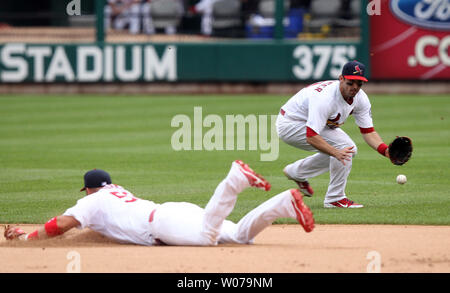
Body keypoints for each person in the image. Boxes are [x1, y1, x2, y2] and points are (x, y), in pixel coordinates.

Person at [4, 160, 314, 246]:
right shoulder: (115, 192)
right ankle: (285, 202)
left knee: (208, 237)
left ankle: (234, 179)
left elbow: (60, 225)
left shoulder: (92, 201)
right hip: (173, 213)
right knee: (239, 237)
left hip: (165, 224)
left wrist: (25, 239)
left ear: (87, 189)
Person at [276, 60, 391, 208]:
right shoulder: (325, 99)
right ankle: (334, 198)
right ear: (341, 79)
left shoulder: (361, 98)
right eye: (351, 82)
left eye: (359, 83)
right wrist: (335, 152)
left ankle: (297, 171)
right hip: (291, 123)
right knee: (344, 148)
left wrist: (385, 150)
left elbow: (368, 131)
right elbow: (311, 136)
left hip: (310, 124)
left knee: (348, 150)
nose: (355, 87)